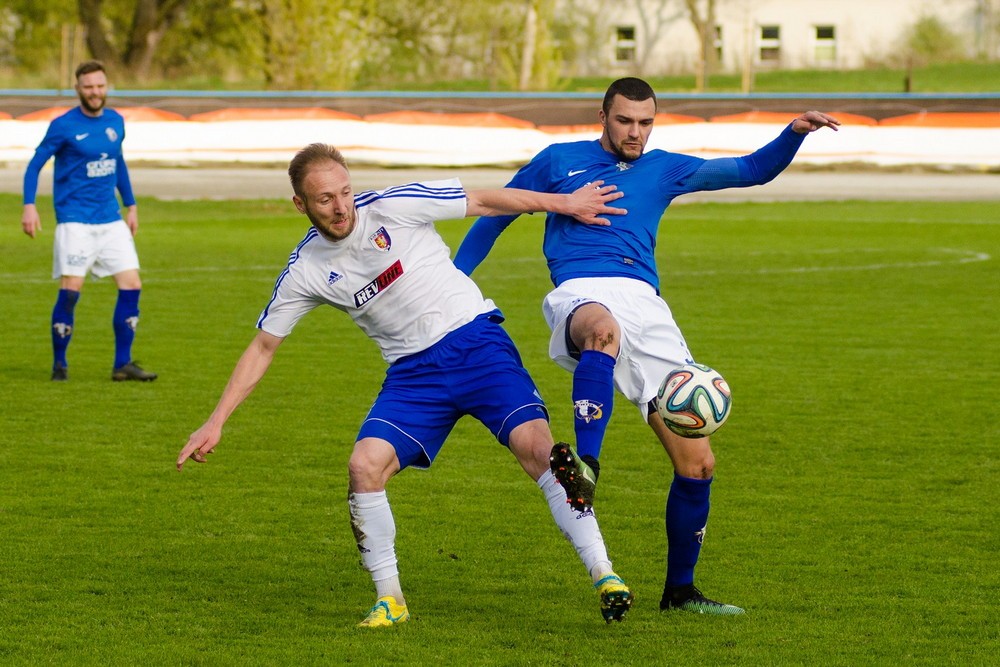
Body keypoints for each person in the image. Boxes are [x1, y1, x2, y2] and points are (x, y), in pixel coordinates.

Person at [176, 143, 634, 627]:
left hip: (476, 345)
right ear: (300, 204)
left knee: (541, 452)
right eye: (325, 199)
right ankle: (390, 600)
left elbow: (483, 200)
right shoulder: (306, 269)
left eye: (345, 192)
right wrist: (216, 420)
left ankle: (604, 574)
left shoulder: (394, 206)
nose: (341, 207)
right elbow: (263, 347)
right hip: (413, 376)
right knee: (364, 466)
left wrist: (567, 203)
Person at [454, 77, 840, 616]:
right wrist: (454, 282)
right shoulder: (558, 161)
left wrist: (793, 132)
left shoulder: (665, 169)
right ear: (603, 117)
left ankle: (680, 593)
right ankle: (585, 467)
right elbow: (496, 215)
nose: (635, 132)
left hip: (647, 306)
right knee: (602, 332)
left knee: (698, 463)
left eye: (645, 122)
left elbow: (752, 169)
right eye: (624, 121)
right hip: (582, 291)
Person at [21, 60, 156, 382]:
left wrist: (131, 205)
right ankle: (60, 365)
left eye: (99, 86)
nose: (95, 92)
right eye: (88, 87)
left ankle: (122, 364)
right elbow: (34, 166)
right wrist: (29, 205)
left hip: (110, 219)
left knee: (132, 285)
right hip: (75, 220)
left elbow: (118, 162)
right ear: (78, 89)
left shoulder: (115, 121)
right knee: (71, 290)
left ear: (106, 87)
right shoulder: (63, 125)